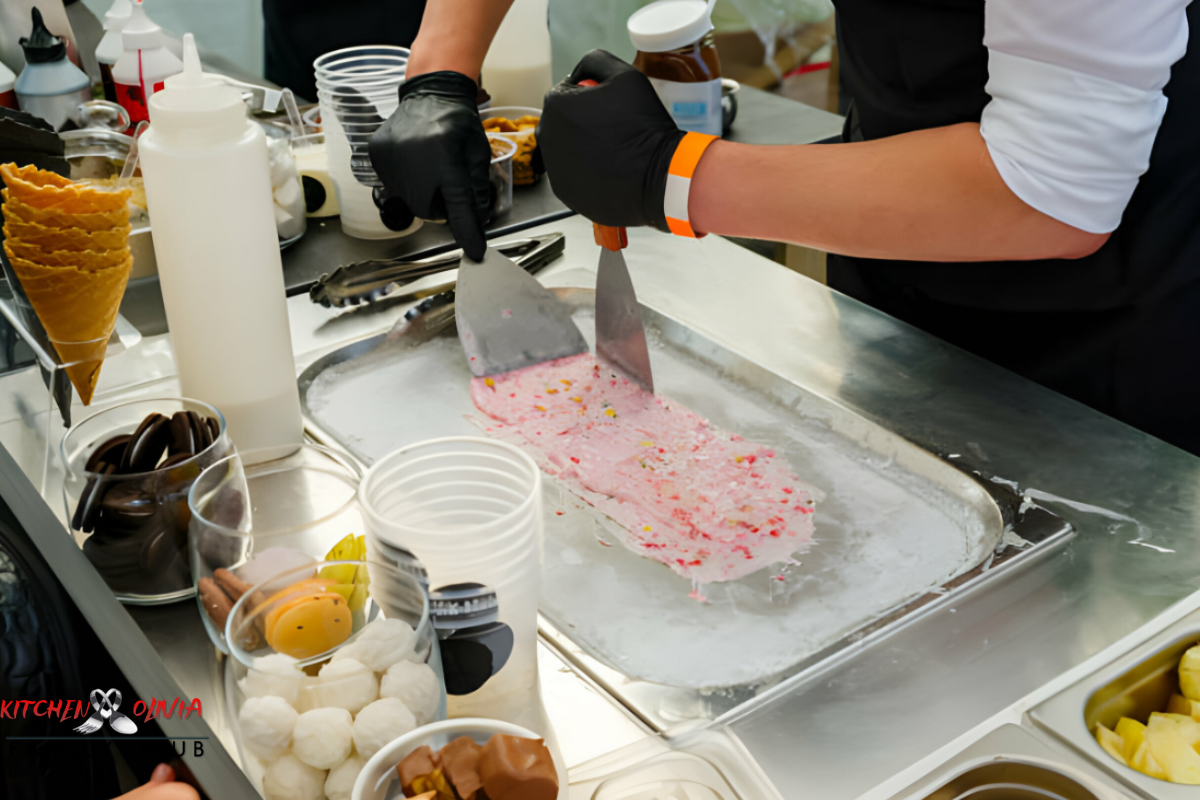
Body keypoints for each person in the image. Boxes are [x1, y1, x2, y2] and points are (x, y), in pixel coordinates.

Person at [528, 2, 1198, 455]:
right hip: (895, 262)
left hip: (1105, 336)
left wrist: (671, 177)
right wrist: (445, 69)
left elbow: (1054, 189)